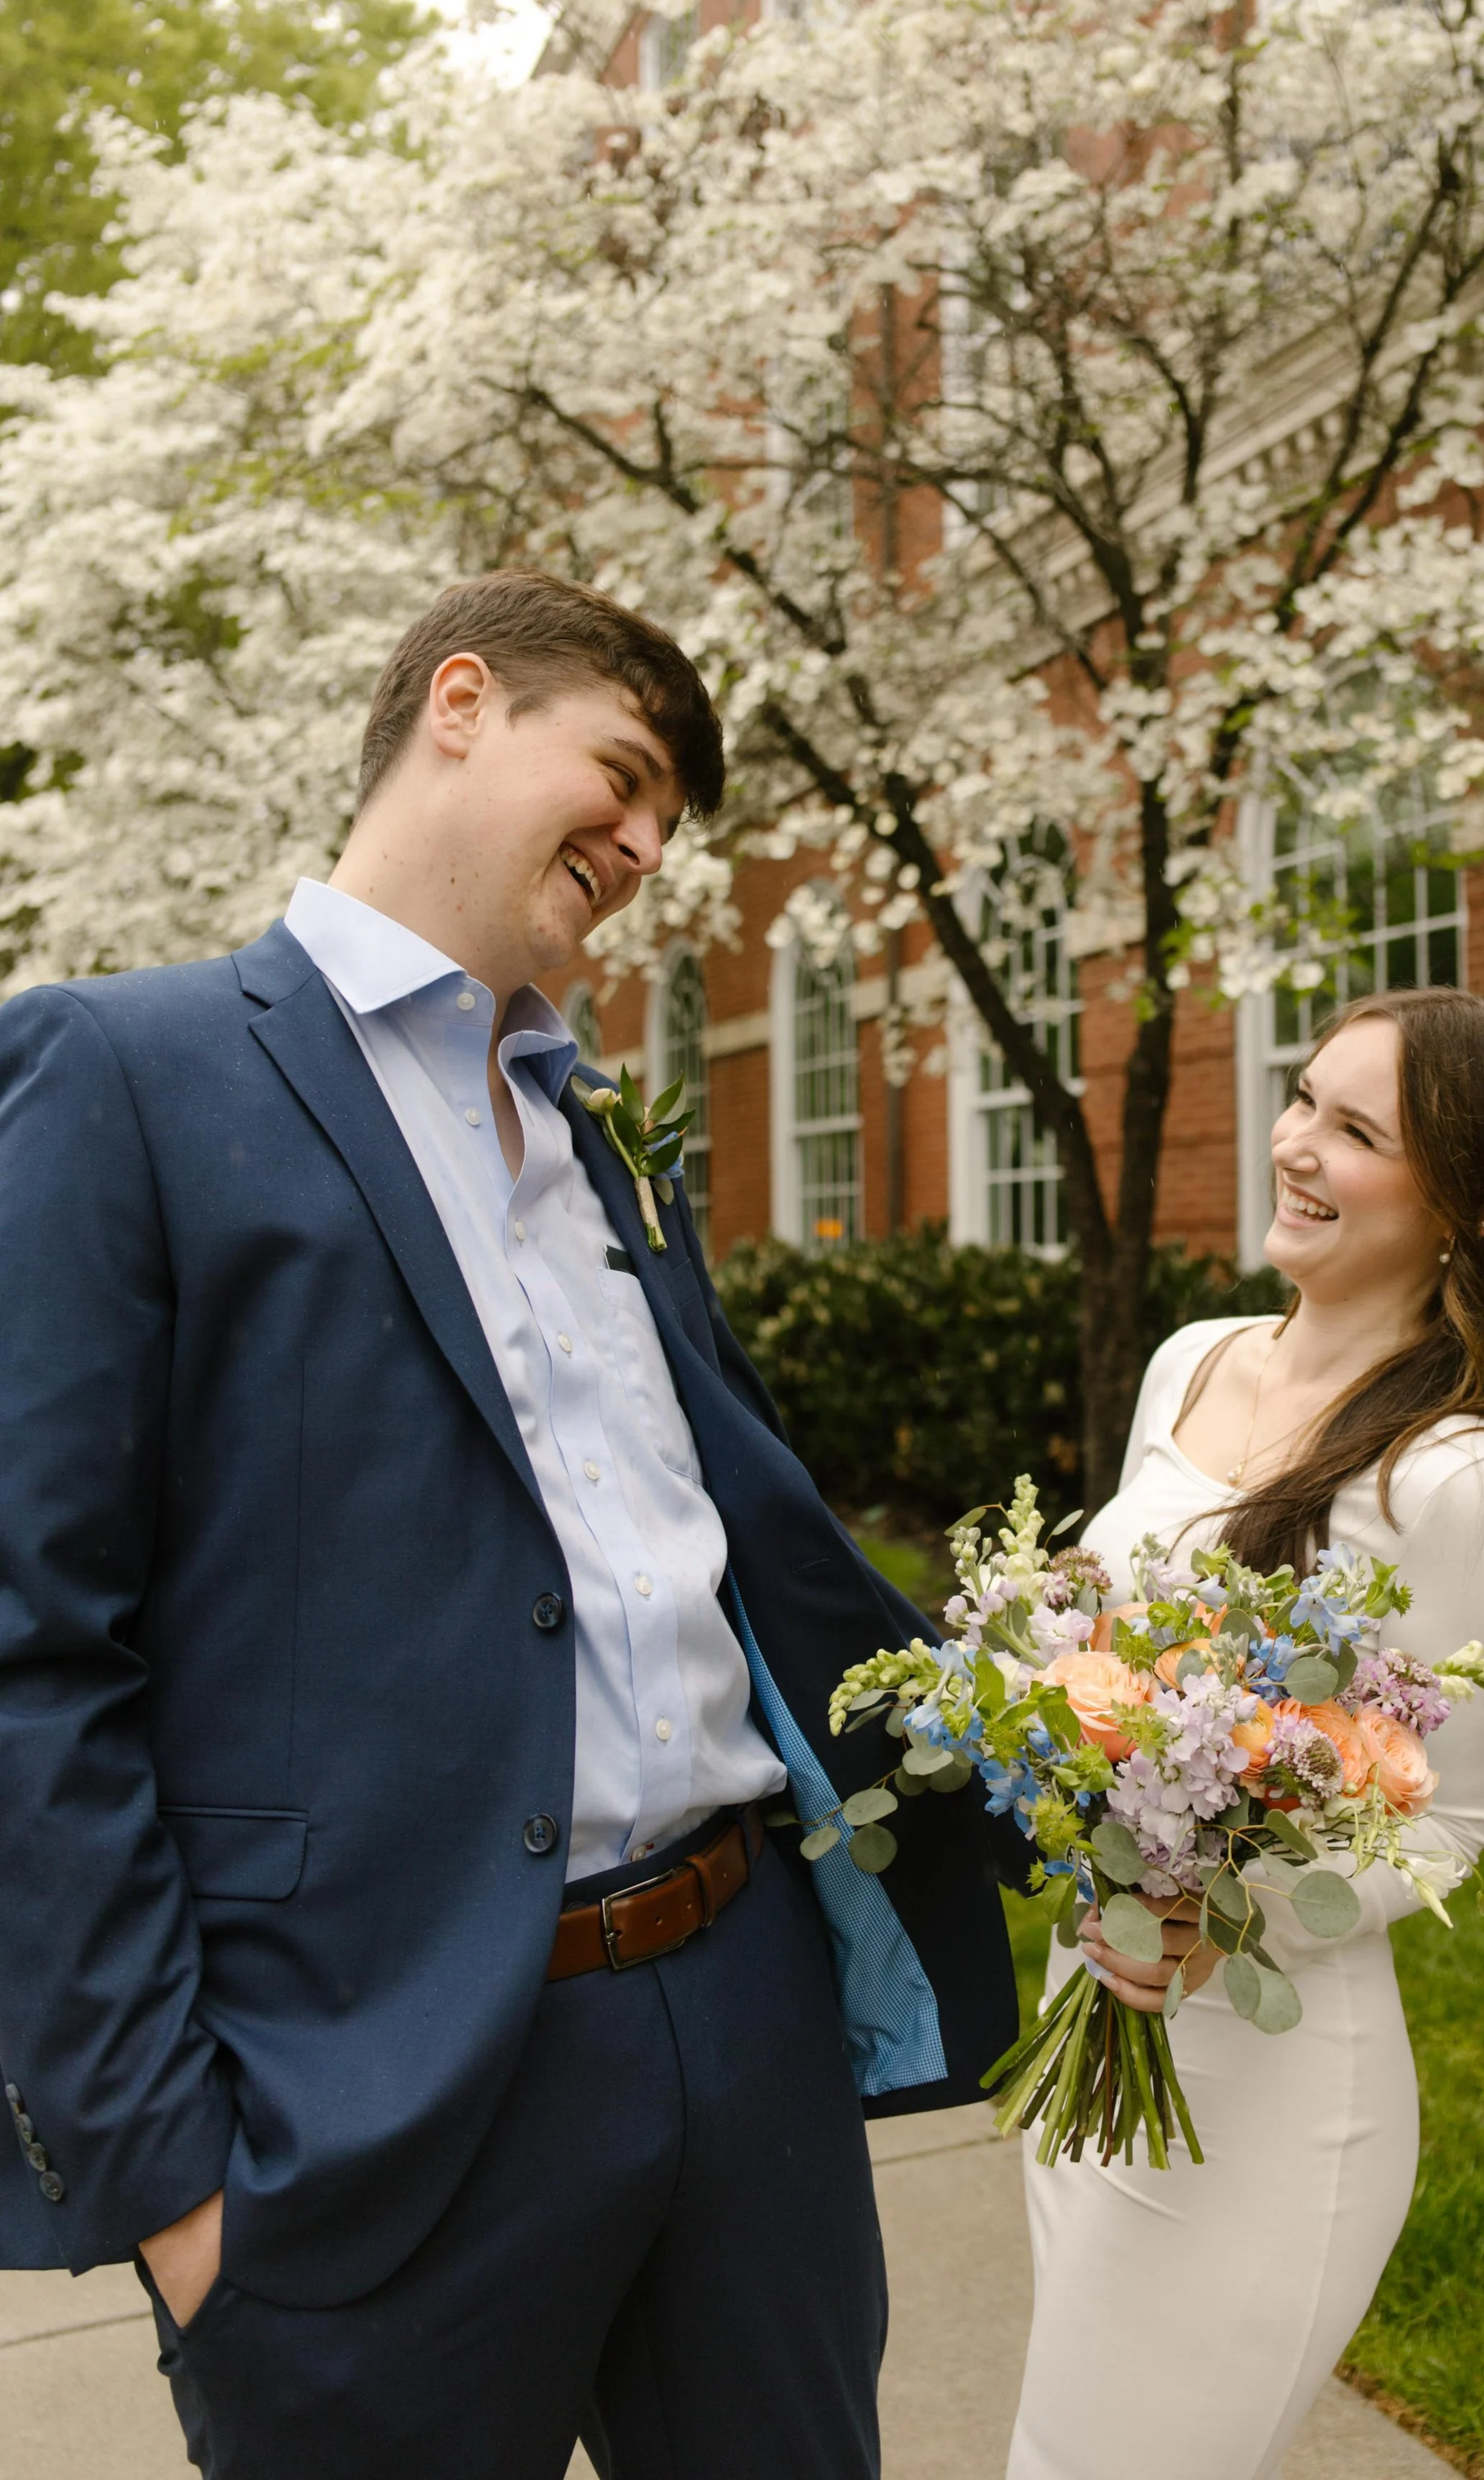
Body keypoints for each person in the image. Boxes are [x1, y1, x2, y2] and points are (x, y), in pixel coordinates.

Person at [0, 569, 1021, 2480]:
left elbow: (721, 1526)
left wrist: (1036, 1749)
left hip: (743, 2008)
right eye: (622, 774)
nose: (645, 845)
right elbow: (34, 1653)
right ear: (458, 701)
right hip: (370, 2091)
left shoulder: (596, 1123)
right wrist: (171, 2182)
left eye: (666, 822)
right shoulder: (122, 1071)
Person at [1007, 987, 1484, 2480]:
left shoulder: (1454, 1479)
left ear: (1480, 1206)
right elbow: (1096, 1625)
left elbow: (1440, 1825)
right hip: (1096, 2024)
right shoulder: (1190, 1360)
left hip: (1258, 2099)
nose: (1292, 1147)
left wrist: (1214, 1900)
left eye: (1354, 1130)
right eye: (1300, 1100)